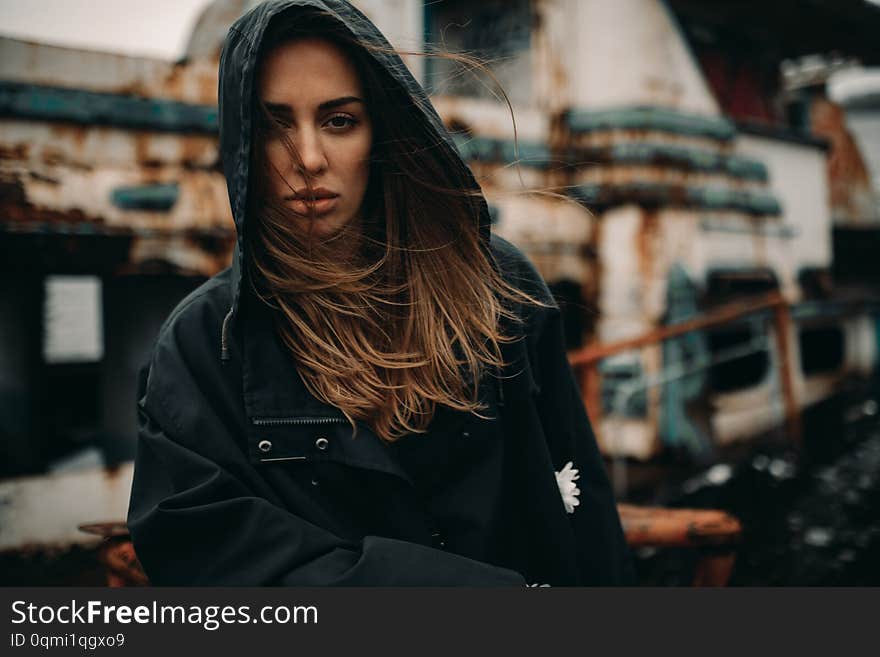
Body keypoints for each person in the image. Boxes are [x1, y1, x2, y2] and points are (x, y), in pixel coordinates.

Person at [127, 0, 634, 586]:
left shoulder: (499, 288)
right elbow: (209, 558)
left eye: (339, 120)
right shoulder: (204, 342)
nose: (309, 159)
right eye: (274, 125)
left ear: (383, 129)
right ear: (242, 142)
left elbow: (583, 510)